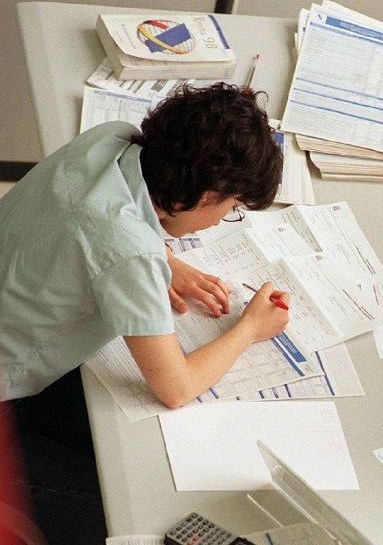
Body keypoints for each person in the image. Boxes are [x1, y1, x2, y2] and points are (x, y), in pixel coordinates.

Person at [0, 82, 290, 543]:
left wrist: (166, 261)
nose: (223, 218)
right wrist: (250, 328)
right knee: (134, 515)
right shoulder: (130, 252)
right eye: (232, 206)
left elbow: (96, 225)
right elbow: (176, 388)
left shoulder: (110, 139)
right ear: (206, 195)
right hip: (10, 397)